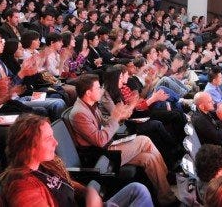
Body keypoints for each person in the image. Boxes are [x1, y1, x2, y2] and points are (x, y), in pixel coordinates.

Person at [0, 113, 154, 207]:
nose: (55, 142)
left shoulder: (45, 164)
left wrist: (89, 192)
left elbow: (68, 185)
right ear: (28, 147)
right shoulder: (23, 188)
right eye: (48, 139)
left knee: (137, 189)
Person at [68, 74, 177, 205]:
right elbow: (99, 140)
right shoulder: (79, 113)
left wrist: (120, 115)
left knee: (150, 159)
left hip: (108, 146)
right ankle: (167, 179)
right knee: (144, 140)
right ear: (88, 92)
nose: (101, 90)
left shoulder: (90, 105)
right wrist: (114, 118)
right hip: (101, 154)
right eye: (98, 88)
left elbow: (105, 123)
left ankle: (166, 197)